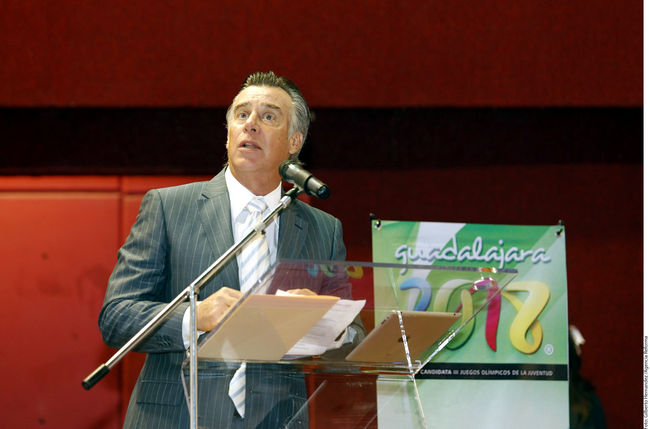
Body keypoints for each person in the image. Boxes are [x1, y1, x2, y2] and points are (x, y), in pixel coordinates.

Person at [99, 71, 360, 428]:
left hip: (277, 419)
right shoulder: (168, 207)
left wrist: (323, 322)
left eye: (268, 116)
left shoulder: (323, 230)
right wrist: (194, 316)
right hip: (177, 416)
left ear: (294, 141)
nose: (250, 124)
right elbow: (117, 317)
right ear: (227, 135)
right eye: (242, 114)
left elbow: (354, 336)